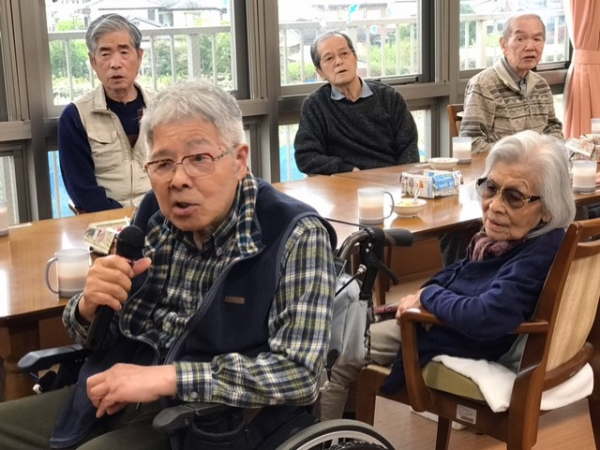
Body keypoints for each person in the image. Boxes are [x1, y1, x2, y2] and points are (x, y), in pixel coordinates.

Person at [0, 79, 337, 450]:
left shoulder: (294, 234)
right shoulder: (153, 217)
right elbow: (98, 335)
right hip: (119, 388)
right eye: (162, 163)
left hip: (211, 418)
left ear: (239, 160)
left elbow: (301, 374)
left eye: (199, 159)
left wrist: (168, 378)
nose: (178, 180)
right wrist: (88, 307)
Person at [319, 130, 576, 421]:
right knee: (346, 330)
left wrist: (429, 297)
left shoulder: (537, 256)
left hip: (459, 338)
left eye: (514, 197)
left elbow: (486, 316)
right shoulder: (505, 242)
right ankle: (347, 429)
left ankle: (324, 437)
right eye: (491, 188)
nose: (494, 206)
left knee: (338, 351)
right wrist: (424, 294)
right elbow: (459, 271)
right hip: (447, 324)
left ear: (548, 209)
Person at [58, 14, 154, 213]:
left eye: (124, 52)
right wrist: (124, 217)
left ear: (139, 56)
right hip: (106, 218)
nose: (115, 63)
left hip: (161, 216)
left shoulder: (161, 107)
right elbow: (82, 190)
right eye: (105, 54)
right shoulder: (75, 116)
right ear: (93, 61)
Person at [294, 31, 419, 175]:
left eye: (344, 54)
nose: (338, 62)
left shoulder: (389, 98)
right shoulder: (315, 105)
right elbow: (306, 157)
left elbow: (409, 149)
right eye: (329, 58)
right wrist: (345, 169)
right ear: (320, 72)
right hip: (344, 182)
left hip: (390, 180)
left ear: (355, 58)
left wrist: (403, 180)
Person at [460, 13, 564, 154]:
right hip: (500, 166)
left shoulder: (541, 85)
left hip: (537, 165)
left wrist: (544, 151)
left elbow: (553, 129)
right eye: (520, 39)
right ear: (503, 44)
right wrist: (522, 153)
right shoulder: (483, 85)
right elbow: (471, 144)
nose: (530, 47)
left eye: (537, 39)